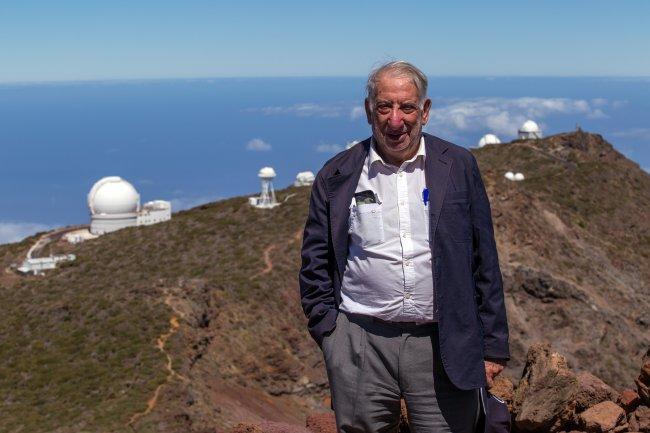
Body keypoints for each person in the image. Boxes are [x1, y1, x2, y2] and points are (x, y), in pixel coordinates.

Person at [299, 61, 509, 433]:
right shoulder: (337, 175)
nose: (396, 119)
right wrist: (331, 333)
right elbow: (315, 260)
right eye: (384, 106)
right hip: (360, 341)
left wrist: (492, 347)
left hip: (443, 344)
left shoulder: (458, 166)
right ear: (369, 111)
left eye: (407, 107)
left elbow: (484, 260)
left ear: (425, 112)